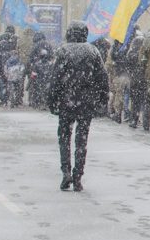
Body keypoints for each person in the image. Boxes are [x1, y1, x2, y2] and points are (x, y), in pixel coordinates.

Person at [47, 21, 109, 192]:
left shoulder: (63, 51)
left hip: (66, 101)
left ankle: (66, 171)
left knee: (64, 138)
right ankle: (78, 175)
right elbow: (102, 78)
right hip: (86, 103)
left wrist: (52, 100)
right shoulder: (93, 51)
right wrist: (102, 100)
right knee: (82, 141)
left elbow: (55, 79)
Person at [26, 32, 55, 110]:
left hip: (36, 68)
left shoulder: (35, 45)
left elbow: (31, 58)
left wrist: (30, 66)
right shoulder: (48, 45)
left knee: (34, 85)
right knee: (47, 86)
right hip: (47, 68)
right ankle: (45, 102)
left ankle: (34, 101)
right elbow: (52, 55)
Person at [126, 32, 147, 129]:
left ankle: (134, 120)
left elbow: (128, 67)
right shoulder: (145, 54)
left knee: (135, 102)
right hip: (145, 80)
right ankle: (146, 123)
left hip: (134, 80)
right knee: (146, 102)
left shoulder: (131, 54)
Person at [0, 26, 18, 105]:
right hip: (12, 64)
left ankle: (3, 98)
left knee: (2, 81)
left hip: (2, 63)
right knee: (13, 80)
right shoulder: (15, 39)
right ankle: (14, 97)